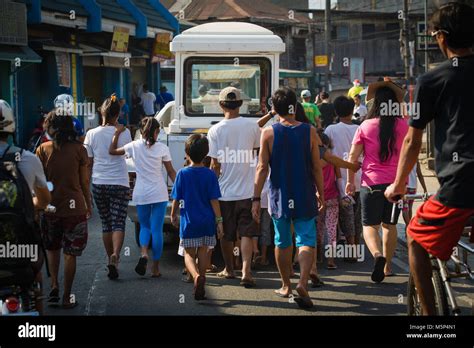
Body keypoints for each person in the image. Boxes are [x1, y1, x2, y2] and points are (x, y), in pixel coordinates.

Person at [385, 2, 474, 315]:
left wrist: (397, 184)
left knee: (415, 240)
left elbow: (412, 140)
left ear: (442, 38)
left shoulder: (432, 81)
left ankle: (429, 318)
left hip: (461, 183)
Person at [252, 87, 325, 309]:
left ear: (275, 109)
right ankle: (303, 282)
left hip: (279, 195)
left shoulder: (268, 133)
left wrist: (255, 198)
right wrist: (321, 193)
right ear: (296, 105)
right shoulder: (309, 131)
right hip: (304, 193)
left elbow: (262, 168)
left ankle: (286, 285)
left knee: (282, 241)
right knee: (305, 240)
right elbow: (316, 167)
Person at [346, 81, 408, 283]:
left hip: (371, 184)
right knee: (389, 225)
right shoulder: (404, 125)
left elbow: (353, 159)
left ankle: (377, 256)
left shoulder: (365, 125)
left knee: (370, 226)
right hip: (396, 185)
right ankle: (388, 266)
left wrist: (350, 182)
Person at [36, 111, 92, 309]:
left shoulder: (43, 149)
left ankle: (53, 285)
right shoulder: (79, 150)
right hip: (74, 209)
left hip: (50, 208)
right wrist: (88, 203)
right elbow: (85, 182)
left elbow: (38, 183)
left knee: (52, 249)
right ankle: (67, 297)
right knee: (70, 253)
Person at [109, 117, 176, 277]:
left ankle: (144, 253)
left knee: (144, 226)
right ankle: (155, 268)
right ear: (156, 131)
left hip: (141, 193)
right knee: (157, 230)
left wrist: (116, 134)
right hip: (159, 193)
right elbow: (171, 172)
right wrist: (181, 187)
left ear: (141, 131)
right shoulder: (162, 148)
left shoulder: (134, 146)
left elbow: (112, 152)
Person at [208, 87, 260, 287]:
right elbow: (256, 152)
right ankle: (246, 270)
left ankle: (229, 269)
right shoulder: (252, 127)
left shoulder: (215, 130)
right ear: (240, 104)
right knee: (247, 232)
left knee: (226, 234)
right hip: (248, 191)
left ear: (221, 105)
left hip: (224, 192)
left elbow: (215, 165)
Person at [84, 95, 132, 280]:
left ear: (101, 112)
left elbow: (88, 163)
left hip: (99, 182)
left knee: (106, 222)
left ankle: (108, 256)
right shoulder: (124, 132)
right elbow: (128, 157)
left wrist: (86, 188)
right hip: (119, 182)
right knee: (118, 221)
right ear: (118, 113)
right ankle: (116, 257)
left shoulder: (91, 134)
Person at [171, 134, 224, 300]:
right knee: (203, 250)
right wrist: (219, 222)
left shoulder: (182, 173)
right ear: (206, 154)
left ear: (186, 153)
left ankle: (195, 277)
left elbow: (176, 198)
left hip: (189, 222)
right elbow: (214, 201)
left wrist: (173, 214)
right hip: (207, 221)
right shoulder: (210, 175)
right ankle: (203, 277)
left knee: (188, 253)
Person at [325, 96, 363, 252]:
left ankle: (348, 247)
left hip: (339, 180)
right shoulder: (360, 129)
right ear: (352, 110)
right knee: (356, 216)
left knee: (343, 215)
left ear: (336, 111)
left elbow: (326, 153)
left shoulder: (330, 130)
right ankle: (354, 246)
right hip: (359, 177)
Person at [315, 130, 342, 270]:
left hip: (317, 197)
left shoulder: (313, 160)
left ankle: (318, 257)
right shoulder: (333, 159)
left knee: (318, 228)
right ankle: (331, 260)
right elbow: (339, 179)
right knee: (331, 228)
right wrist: (342, 195)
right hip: (332, 196)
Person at [403, 161, 427, 227]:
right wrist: (424, 188)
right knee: (409, 208)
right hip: (413, 187)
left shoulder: (402, 157)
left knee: (405, 208)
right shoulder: (415, 159)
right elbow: (419, 174)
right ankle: (409, 226)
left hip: (404, 187)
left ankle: (408, 226)